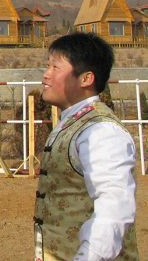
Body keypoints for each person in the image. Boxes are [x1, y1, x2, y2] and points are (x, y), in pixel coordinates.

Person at [34, 32, 139, 261]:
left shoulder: (101, 132)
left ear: (86, 79)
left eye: (55, 68)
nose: (45, 75)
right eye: (47, 66)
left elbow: (114, 210)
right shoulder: (72, 124)